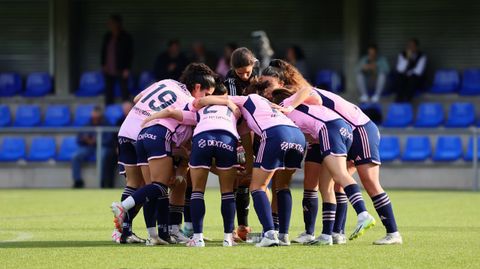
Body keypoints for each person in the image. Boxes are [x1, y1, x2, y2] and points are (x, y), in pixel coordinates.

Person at [265, 59, 402, 245]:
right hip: (334, 132)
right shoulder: (293, 99)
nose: (266, 90)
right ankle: (328, 233)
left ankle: (391, 231)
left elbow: (310, 93)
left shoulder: (298, 94)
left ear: (281, 82)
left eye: (269, 84)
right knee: (325, 183)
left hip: (358, 128)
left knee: (367, 181)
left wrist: (289, 107)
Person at [110, 63, 216, 245]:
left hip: (127, 129)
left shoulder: (167, 82)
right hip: (150, 131)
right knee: (157, 185)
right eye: (207, 95)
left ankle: (125, 232)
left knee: (134, 183)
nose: (205, 100)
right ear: (197, 87)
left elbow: (137, 98)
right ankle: (161, 232)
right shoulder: (189, 103)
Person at [194, 89, 306, 247]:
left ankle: (269, 233)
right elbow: (247, 143)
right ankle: (283, 235)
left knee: (257, 186)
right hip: (297, 135)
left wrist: (227, 102)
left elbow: (201, 101)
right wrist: (248, 165)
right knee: (282, 186)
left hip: (276, 133)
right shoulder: (265, 105)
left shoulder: (245, 99)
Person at [142, 83, 242, 247]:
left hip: (202, 138)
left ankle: (198, 238)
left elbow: (171, 112)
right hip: (227, 138)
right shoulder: (235, 107)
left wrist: (149, 119)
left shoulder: (199, 110)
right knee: (227, 192)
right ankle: (227, 238)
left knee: (197, 191)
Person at [223, 47, 259, 241]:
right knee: (241, 177)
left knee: (260, 179)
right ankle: (241, 227)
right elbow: (240, 109)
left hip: (260, 130)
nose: (245, 76)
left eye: (248, 71)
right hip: (239, 131)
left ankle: (272, 226)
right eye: (240, 73)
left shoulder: (259, 73)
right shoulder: (229, 82)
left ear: (253, 64)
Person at [71, 107, 112, 188]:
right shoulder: (88, 124)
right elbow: (79, 138)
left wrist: (97, 141)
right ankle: (78, 181)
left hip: (102, 146)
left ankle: (101, 181)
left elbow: (109, 139)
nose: (95, 118)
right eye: (94, 116)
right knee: (75, 156)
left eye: (97, 117)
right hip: (88, 147)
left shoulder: (106, 124)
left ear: (100, 116)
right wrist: (85, 139)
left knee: (102, 156)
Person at [101, 14, 134, 105]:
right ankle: (109, 109)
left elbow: (129, 54)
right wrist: (103, 64)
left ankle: (126, 111)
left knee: (124, 90)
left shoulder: (126, 37)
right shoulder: (107, 36)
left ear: (118, 24)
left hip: (121, 68)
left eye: (112, 23)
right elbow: (103, 51)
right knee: (108, 90)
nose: (110, 25)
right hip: (109, 68)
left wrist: (127, 68)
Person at [394, 38, 427, 102]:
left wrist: (409, 73)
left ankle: (407, 100)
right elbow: (399, 69)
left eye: (412, 46)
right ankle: (399, 99)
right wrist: (407, 59)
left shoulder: (422, 56)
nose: (410, 48)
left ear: (417, 47)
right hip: (404, 78)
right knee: (398, 76)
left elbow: (418, 71)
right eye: (409, 46)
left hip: (415, 79)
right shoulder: (402, 54)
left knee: (413, 78)